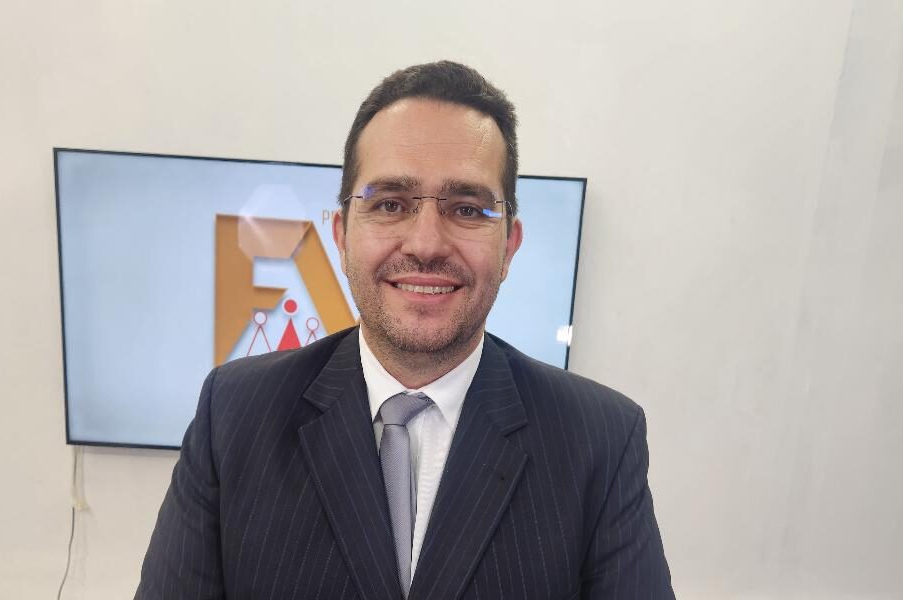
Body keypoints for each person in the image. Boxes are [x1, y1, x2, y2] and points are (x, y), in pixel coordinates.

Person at [136, 60, 674, 599]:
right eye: (390, 204)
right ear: (342, 237)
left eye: (468, 209)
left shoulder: (600, 438)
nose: (426, 244)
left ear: (509, 246)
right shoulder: (234, 414)